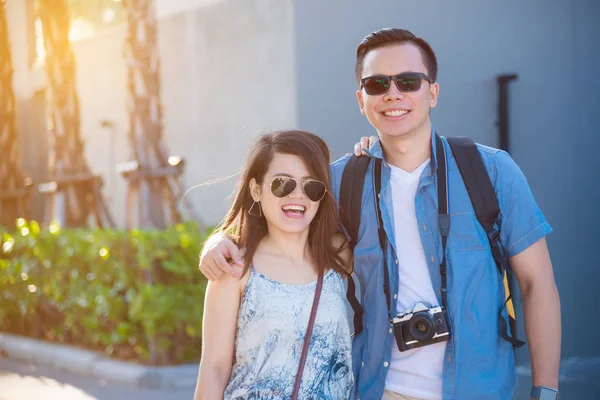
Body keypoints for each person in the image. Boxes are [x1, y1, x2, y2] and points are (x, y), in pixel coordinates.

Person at [199, 29, 561, 400]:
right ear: (361, 99)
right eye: (376, 84)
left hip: (478, 390)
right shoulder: (338, 182)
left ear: (433, 92)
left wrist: (545, 390)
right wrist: (219, 241)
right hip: (378, 390)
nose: (393, 94)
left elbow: (538, 285)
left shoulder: (491, 171)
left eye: (408, 81)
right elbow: (281, 225)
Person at [193, 130, 353, 400]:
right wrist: (216, 241)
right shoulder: (234, 268)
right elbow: (214, 368)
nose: (298, 196)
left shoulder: (338, 255)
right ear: (256, 189)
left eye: (311, 186)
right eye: (283, 184)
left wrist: (377, 147)